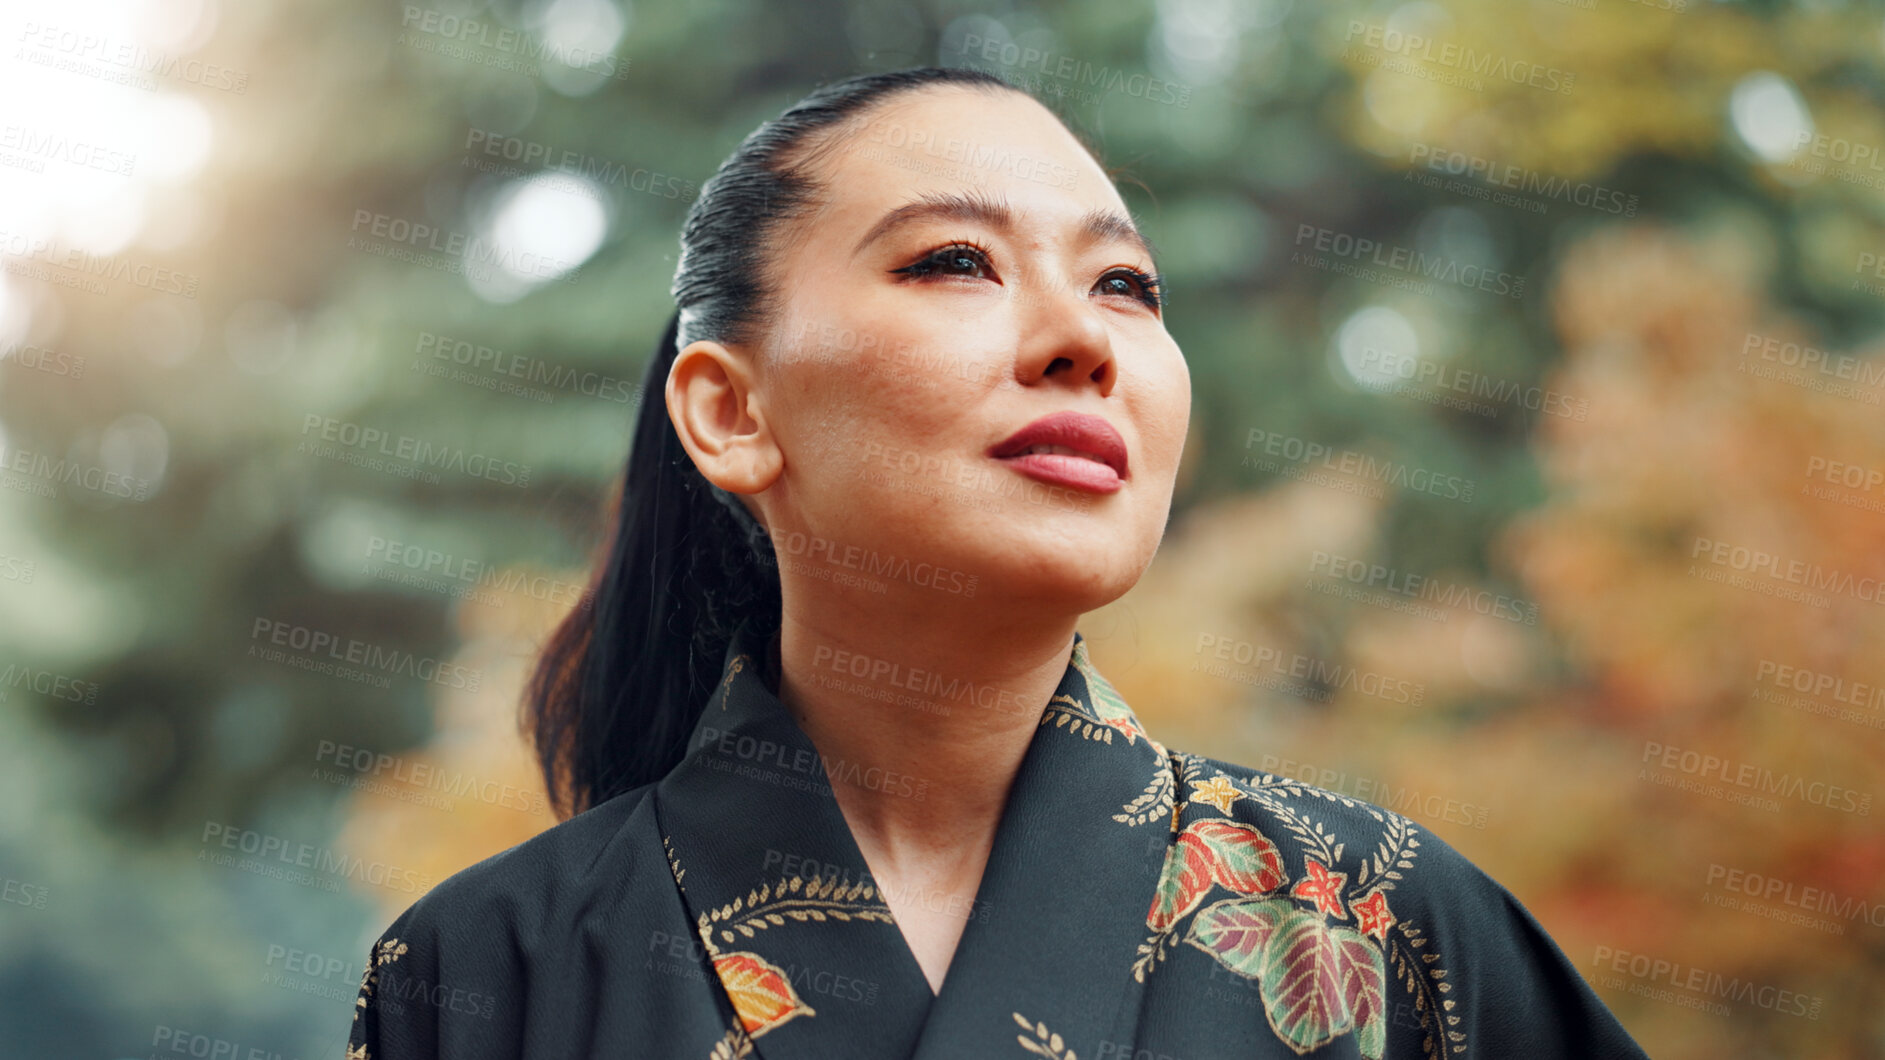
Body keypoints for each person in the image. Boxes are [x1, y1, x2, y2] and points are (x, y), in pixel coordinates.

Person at [345, 66, 1649, 1060]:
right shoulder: (489, 971)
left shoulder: (1383, 923)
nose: (1081, 337)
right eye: (953, 261)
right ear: (731, 412)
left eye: (1127, 286)